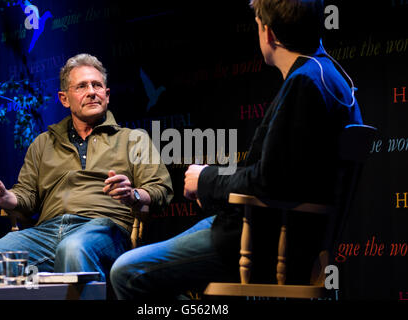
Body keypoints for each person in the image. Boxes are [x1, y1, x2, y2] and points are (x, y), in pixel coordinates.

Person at [109, 0, 363, 299]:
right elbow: (282, 174)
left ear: (267, 33)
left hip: (260, 240)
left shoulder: (305, 83)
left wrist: (206, 181)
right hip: (273, 232)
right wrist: (214, 189)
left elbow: (270, 183)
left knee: (126, 272)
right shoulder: (331, 75)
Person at [0, 54, 173, 282]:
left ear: (107, 96)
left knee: (72, 248)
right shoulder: (43, 143)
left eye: (97, 85)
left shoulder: (133, 139)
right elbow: (27, 197)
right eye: (81, 86)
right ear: (64, 99)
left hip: (103, 229)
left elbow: (161, 189)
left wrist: (133, 194)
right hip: (46, 233)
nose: (91, 91)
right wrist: (5, 196)